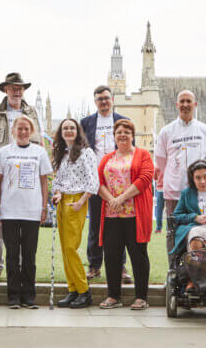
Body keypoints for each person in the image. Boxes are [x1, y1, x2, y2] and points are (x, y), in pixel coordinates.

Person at [0, 72, 44, 284]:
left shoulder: (33, 112)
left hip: (25, 178)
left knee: (21, 228)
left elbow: (41, 143)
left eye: (20, 87)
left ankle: (17, 270)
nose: (16, 91)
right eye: (12, 87)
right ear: (5, 90)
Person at [0, 116, 52, 308]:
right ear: (13, 130)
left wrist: (44, 207)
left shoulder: (40, 152)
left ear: (32, 130)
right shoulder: (4, 152)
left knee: (29, 255)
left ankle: (29, 296)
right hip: (9, 210)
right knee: (12, 255)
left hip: (32, 210)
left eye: (26, 128)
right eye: (19, 128)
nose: (22, 132)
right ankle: (13, 296)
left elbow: (44, 182)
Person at [97, 119, 154, 310]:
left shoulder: (143, 155)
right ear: (114, 136)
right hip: (111, 216)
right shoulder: (107, 158)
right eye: (119, 132)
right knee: (111, 256)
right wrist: (112, 200)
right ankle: (113, 295)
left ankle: (141, 297)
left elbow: (145, 178)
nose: (122, 135)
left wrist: (120, 198)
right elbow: (98, 182)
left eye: (127, 132)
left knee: (138, 255)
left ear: (133, 135)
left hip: (135, 215)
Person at [155, 90, 206, 263]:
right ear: (176, 105)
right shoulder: (167, 131)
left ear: (195, 104)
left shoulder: (205, 131)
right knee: (173, 232)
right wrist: (172, 179)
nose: (185, 104)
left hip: (199, 193)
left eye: (189, 101)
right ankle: (174, 271)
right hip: (174, 193)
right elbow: (161, 162)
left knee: (200, 231)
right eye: (181, 101)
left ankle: (198, 272)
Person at [80, 85, 130, 282]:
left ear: (112, 99)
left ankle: (121, 267)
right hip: (96, 180)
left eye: (106, 98)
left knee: (121, 224)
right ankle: (94, 265)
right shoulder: (86, 123)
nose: (104, 102)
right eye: (100, 99)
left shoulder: (122, 121)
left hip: (119, 180)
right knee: (95, 225)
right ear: (95, 102)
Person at [51, 118, 99, 308]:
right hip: (63, 201)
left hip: (76, 201)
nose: (69, 131)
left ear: (77, 131)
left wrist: (81, 201)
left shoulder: (86, 153)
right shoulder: (63, 154)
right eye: (65, 128)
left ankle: (84, 291)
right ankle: (73, 290)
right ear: (61, 133)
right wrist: (56, 193)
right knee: (65, 249)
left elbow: (93, 180)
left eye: (72, 128)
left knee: (71, 248)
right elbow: (59, 181)